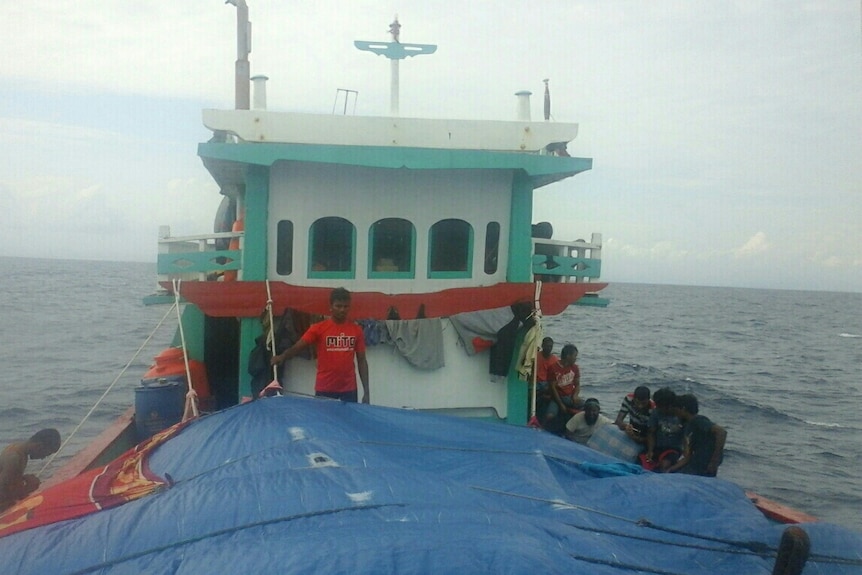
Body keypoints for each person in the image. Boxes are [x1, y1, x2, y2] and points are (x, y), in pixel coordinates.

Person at [272, 287, 370, 403]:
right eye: (338, 306)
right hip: (325, 387)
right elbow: (297, 347)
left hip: (349, 389)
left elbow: (362, 360)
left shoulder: (356, 330)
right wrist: (282, 356)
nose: (342, 310)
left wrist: (366, 392)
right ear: (331, 307)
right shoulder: (318, 328)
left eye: (345, 306)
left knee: (347, 421)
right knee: (322, 421)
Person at [0, 428, 61, 511]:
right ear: (39, 446)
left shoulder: (17, 448)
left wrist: (21, 479)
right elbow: (3, 493)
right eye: (45, 454)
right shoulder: (14, 458)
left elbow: (8, 480)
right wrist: (30, 487)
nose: (42, 458)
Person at [666, 394, 727, 477]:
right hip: (695, 464)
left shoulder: (698, 421)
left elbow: (722, 432)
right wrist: (671, 469)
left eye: (676, 409)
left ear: (683, 409)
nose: (675, 413)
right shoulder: (688, 425)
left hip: (705, 465)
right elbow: (688, 456)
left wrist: (714, 461)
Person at [643, 388, 684, 472]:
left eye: (660, 407)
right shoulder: (656, 413)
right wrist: (650, 450)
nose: (657, 408)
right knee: (643, 461)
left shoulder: (680, 415)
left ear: (669, 406)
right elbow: (651, 433)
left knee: (665, 464)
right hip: (658, 447)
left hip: (674, 449)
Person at [544, 344, 583, 424]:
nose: (575, 359)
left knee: (587, 406)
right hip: (557, 397)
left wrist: (575, 395)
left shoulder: (575, 368)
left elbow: (577, 384)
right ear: (568, 356)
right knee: (550, 416)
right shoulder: (553, 368)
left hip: (570, 397)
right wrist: (560, 404)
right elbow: (553, 388)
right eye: (574, 356)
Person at [533, 337, 558, 413]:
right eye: (547, 346)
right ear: (542, 345)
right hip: (536, 382)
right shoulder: (536, 356)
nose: (549, 348)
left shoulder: (555, 359)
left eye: (550, 346)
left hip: (547, 383)